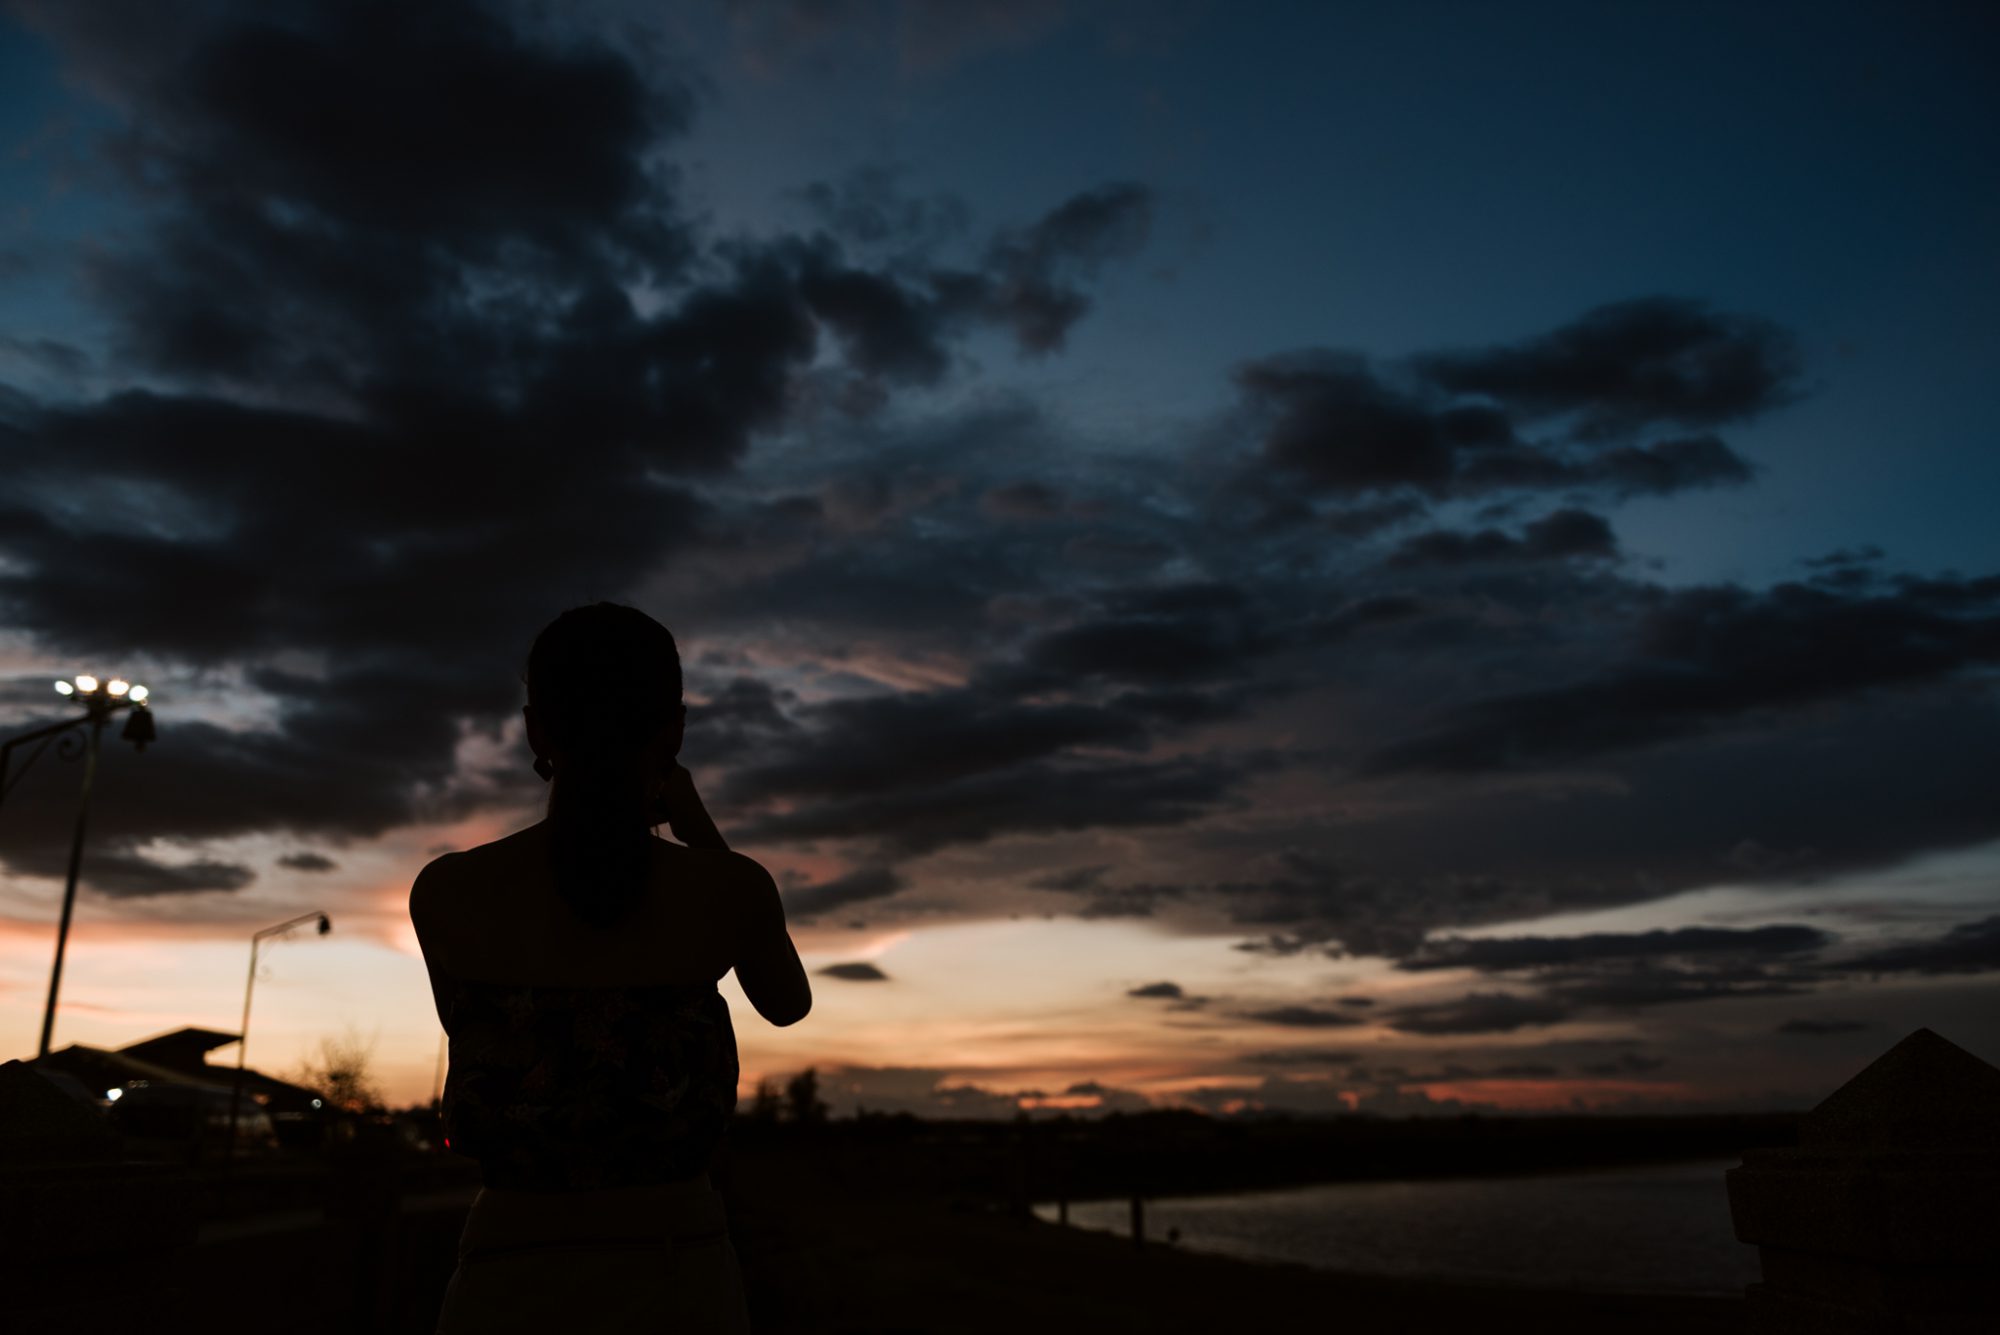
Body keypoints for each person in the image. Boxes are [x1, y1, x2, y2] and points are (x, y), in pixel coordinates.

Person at [410, 603, 811, 1333]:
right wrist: (696, 828)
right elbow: (786, 1002)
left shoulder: (448, 890)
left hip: (507, 1273)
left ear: (538, 729)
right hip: (679, 1269)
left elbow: (465, 1027)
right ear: (675, 728)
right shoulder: (729, 887)